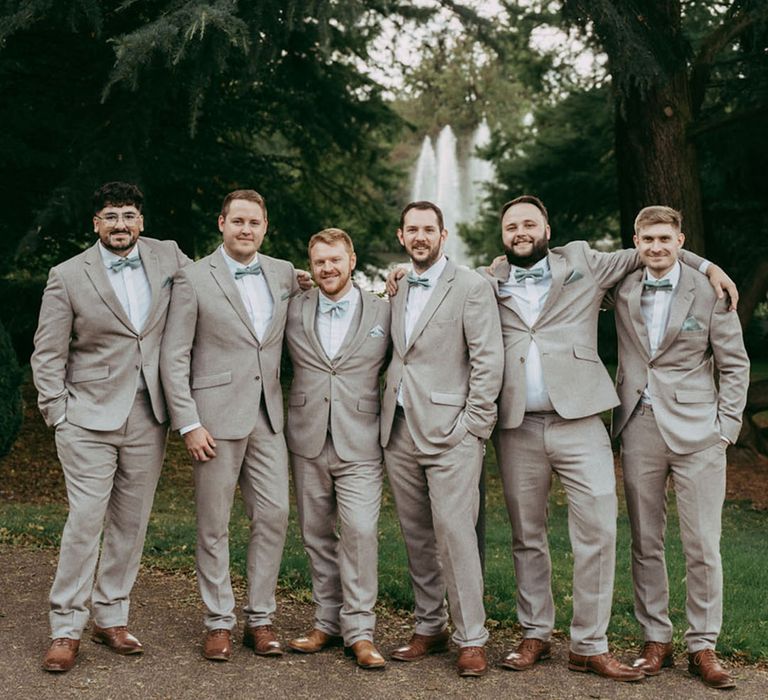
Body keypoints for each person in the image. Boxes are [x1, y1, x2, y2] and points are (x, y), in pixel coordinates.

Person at [476, 195, 736, 682]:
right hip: (516, 426)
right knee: (526, 536)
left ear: (548, 230)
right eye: (512, 226)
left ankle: (588, 644)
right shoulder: (489, 280)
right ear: (503, 235)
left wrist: (709, 264)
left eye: (530, 223)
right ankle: (535, 632)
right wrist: (402, 275)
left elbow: (653, 250)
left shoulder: (583, 262)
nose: (521, 231)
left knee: (599, 530)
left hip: (581, 421)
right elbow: (444, 285)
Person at [31, 181, 190, 672]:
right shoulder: (67, 275)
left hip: (149, 415)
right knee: (85, 521)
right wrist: (58, 413)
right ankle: (65, 627)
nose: (120, 224)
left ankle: (111, 616)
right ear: (95, 224)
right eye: (110, 216)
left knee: (130, 523)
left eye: (128, 215)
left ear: (141, 221)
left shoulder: (169, 257)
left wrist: (295, 278)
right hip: (86, 418)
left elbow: (227, 278)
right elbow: (48, 352)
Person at [610, 206, 749, 689]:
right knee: (645, 541)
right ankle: (656, 639)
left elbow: (735, 365)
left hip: (699, 434)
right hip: (639, 427)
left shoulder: (708, 292)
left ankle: (703, 645)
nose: (656, 247)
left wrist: (726, 429)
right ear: (636, 241)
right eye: (647, 239)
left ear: (680, 240)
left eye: (665, 239)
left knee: (702, 544)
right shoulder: (622, 287)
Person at [159, 189, 299, 662]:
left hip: (268, 417)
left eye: (254, 223)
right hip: (213, 421)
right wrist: (188, 423)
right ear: (221, 223)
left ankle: (260, 619)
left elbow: (330, 286)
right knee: (213, 524)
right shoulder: (194, 278)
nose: (246, 229)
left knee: (274, 516)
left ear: (265, 227)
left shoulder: (282, 274)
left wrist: (395, 283)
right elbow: (174, 356)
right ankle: (218, 620)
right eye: (237, 221)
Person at [381, 201, 503, 677]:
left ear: (443, 234)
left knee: (455, 534)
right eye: (412, 230)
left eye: (428, 230)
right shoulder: (397, 285)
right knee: (416, 535)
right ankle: (429, 625)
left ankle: (471, 636)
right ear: (401, 236)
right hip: (398, 428)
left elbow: (488, 360)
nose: (420, 238)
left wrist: (473, 427)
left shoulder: (471, 286)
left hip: (453, 432)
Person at [284, 228, 391, 669]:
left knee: (361, 532)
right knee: (316, 534)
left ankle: (360, 631)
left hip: (362, 438)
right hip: (307, 435)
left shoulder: (385, 310)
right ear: (311, 266)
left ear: (352, 260)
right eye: (319, 261)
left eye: (335, 260)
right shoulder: (292, 308)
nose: (327, 268)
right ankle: (326, 622)